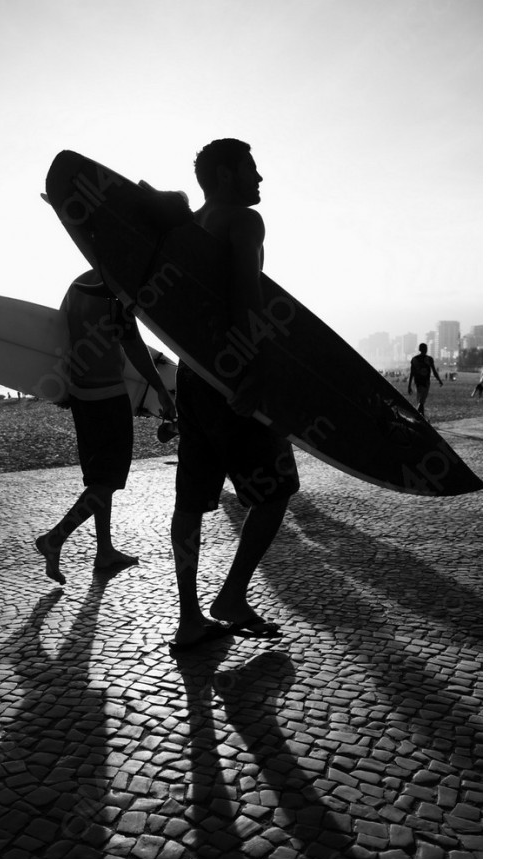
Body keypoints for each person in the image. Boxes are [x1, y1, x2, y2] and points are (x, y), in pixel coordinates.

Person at [169, 138, 300, 653]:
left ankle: (189, 617)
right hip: (235, 375)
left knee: (190, 500)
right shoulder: (243, 222)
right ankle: (231, 597)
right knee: (277, 490)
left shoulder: (191, 224)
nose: (260, 178)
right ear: (225, 175)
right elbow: (249, 293)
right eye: (251, 168)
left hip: (193, 374)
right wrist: (258, 371)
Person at [35, 268, 177, 585]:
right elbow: (134, 345)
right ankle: (55, 538)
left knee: (100, 479)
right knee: (107, 482)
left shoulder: (75, 287)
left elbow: (60, 338)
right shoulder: (117, 292)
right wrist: (161, 389)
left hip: (81, 397)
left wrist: (61, 390)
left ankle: (104, 550)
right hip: (108, 397)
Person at [408, 343, 442, 417]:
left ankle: (421, 416)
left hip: (417, 382)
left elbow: (412, 373)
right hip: (425, 383)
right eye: (425, 348)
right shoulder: (429, 359)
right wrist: (439, 380)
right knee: (421, 401)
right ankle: (417, 415)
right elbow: (434, 371)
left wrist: (409, 386)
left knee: (421, 401)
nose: (426, 350)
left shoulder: (415, 359)